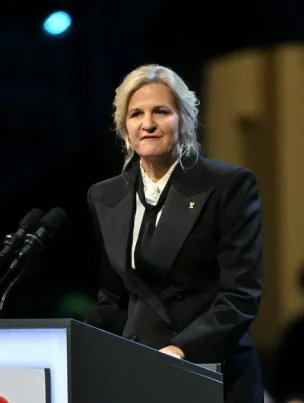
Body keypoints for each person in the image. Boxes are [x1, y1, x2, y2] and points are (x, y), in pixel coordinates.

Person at [84, 64, 264, 402]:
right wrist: (79, 345)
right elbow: (113, 298)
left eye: (161, 112)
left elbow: (240, 296)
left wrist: (181, 350)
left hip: (210, 369)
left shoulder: (227, 186)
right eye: (136, 114)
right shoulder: (105, 196)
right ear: (124, 126)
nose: (148, 124)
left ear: (184, 119)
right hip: (137, 372)